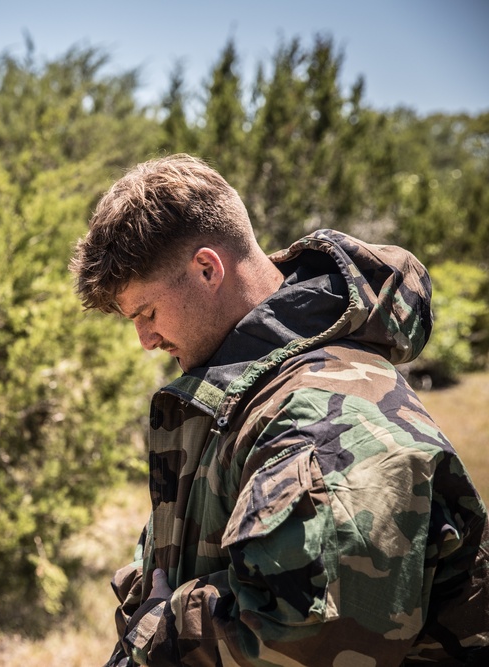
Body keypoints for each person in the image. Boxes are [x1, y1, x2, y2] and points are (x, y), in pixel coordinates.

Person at [69, 154, 489, 665]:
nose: (145, 340)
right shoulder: (238, 389)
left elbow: (306, 639)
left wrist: (163, 630)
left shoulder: (327, 426)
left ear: (207, 268)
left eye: (147, 312)